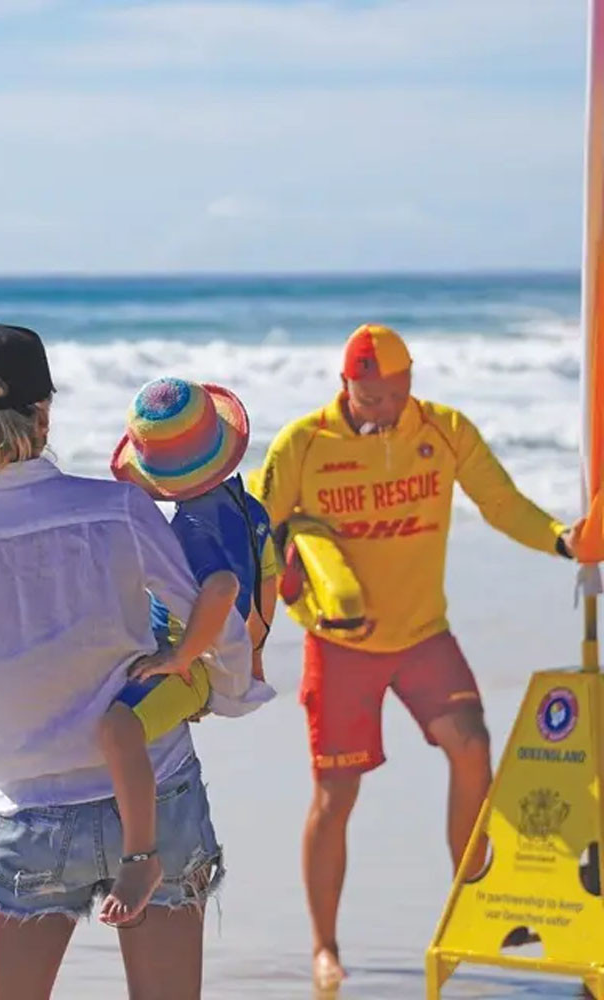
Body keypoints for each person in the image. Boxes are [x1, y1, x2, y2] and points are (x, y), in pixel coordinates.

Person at [0, 324, 267, 1000]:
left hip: (31, 809)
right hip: (157, 791)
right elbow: (207, 622)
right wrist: (221, 691)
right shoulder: (120, 510)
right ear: (44, 412)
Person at [250, 323, 582, 991]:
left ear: (409, 383)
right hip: (341, 647)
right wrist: (269, 597)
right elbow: (254, 529)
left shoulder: (445, 430)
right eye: (363, 397)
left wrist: (561, 542)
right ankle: (325, 946)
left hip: (424, 636)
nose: (375, 409)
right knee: (336, 794)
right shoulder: (305, 444)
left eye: (388, 397)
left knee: (472, 744)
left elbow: (499, 503)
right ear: (344, 386)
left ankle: (475, 899)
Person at [97, 376, 279, 926]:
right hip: (216, 656)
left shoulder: (195, 526)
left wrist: (183, 659)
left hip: (190, 664)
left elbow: (222, 587)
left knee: (114, 726)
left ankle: (137, 858)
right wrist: (252, 654)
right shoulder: (244, 504)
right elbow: (267, 580)